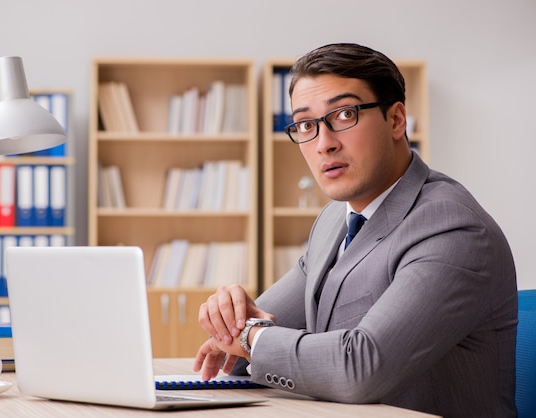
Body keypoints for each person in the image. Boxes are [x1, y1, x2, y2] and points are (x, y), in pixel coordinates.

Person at [193, 43, 518, 418]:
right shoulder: (334, 221)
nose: (324, 143)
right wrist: (230, 320)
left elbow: (359, 369)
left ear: (396, 120)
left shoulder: (451, 227)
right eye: (305, 125)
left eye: (345, 114)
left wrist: (250, 337)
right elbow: (255, 338)